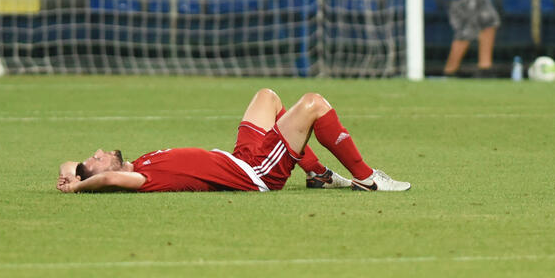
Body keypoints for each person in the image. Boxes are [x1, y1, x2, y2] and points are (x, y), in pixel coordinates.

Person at [55, 88, 411, 194]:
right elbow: (106, 178)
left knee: (267, 97)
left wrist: (72, 174)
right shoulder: (137, 179)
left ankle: (316, 173)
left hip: (240, 156)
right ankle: (367, 180)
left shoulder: (137, 163)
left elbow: (70, 166)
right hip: (255, 172)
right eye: (96, 158)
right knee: (314, 104)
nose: (100, 153)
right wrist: (77, 188)